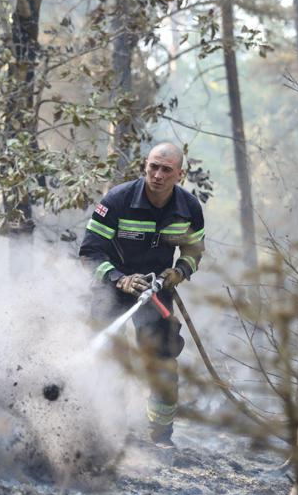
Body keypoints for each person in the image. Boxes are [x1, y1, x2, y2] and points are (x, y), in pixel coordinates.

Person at [79, 142, 205, 447]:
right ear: (144, 167)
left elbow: (193, 248)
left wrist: (180, 271)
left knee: (162, 360)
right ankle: (102, 428)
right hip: (113, 288)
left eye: (166, 170)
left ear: (180, 174)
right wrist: (118, 279)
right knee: (105, 356)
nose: (158, 175)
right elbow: (89, 252)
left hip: (156, 290)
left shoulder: (188, 208)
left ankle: (160, 437)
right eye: (153, 167)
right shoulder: (118, 201)